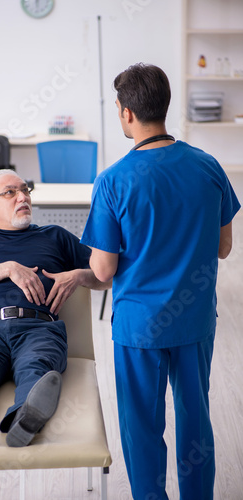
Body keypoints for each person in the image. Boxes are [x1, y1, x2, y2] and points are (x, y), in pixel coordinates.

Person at [81, 63, 241, 500]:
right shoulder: (208, 167)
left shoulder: (113, 181)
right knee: (195, 419)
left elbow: (103, 270)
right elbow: (223, 247)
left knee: (141, 427)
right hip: (193, 321)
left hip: (139, 329)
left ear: (127, 112)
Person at [0, 169, 110, 448]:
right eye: (10, 192)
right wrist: (8, 268)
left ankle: (25, 419)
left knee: (36, 366)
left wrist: (78, 276)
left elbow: (105, 275)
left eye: (25, 190)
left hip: (39, 328)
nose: (22, 197)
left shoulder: (55, 236)